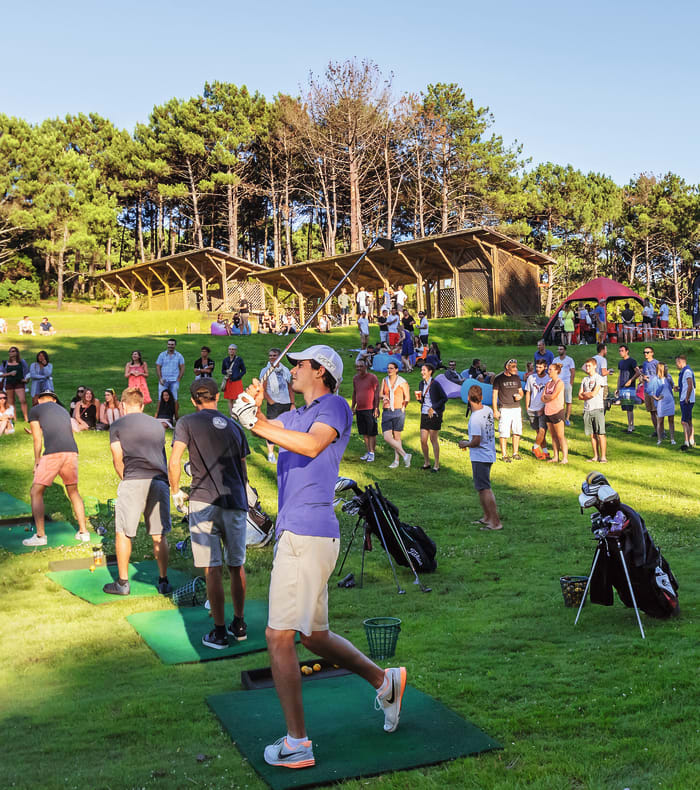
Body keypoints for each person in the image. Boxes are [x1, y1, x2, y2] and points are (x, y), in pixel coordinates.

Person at [231, 344, 406, 768]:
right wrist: (246, 409)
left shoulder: (336, 408)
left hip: (307, 534)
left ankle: (298, 744)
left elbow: (310, 446)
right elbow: (268, 428)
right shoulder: (294, 416)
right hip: (300, 534)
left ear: (321, 372)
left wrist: (256, 423)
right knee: (313, 636)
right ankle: (385, 681)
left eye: (299, 365)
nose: (292, 369)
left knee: (278, 636)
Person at [169, 378, 250, 649]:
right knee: (236, 565)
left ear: (193, 400)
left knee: (212, 567)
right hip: (236, 499)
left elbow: (175, 460)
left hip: (203, 501)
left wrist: (174, 491)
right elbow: (243, 469)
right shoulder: (235, 427)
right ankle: (239, 623)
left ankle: (218, 632)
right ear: (217, 396)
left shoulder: (186, 423)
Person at [103, 387, 172, 596]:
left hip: (133, 479)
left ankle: (123, 583)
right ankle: (163, 581)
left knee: (123, 532)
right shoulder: (158, 425)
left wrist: (127, 481)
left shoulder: (117, 425)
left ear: (123, 405)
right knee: (159, 534)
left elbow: (117, 459)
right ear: (142, 405)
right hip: (159, 480)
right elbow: (162, 456)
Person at [22, 389, 90, 546]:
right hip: (72, 452)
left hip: (53, 454)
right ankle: (83, 532)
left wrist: (37, 460)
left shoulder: (35, 410)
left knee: (35, 492)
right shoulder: (63, 411)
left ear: (39, 400)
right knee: (73, 492)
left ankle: (40, 537)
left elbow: (37, 439)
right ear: (53, 400)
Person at [458, 385, 502, 530]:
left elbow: (476, 441)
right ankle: (487, 517)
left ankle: (495, 522)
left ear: (469, 399)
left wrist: (465, 443)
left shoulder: (475, 419)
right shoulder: (487, 410)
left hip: (480, 456)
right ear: (481, 398)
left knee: (485, 488)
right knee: (481, 488)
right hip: (489, 452)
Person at [260, 348, 295, 464]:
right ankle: (270, 453)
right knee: (272, 428)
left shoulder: (285, 370)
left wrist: (292, 403)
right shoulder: (266, 371)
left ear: (280, 356)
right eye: (270, 356)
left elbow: (290, 388)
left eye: (274, 355)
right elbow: (262, 389)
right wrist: (271, 401)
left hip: (286, 402)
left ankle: (283, 452)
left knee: (286, 428)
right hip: (274, 403)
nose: (272, 358)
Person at [380, 361, 411, 469]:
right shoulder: (384, 380)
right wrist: (384, 396)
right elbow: (380, 394)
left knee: (397, 437)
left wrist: (403, 407)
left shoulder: (402, 382)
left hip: (398, 411)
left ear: (396, 370)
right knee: (387, 437)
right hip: (387, 411)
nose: (389, 370)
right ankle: (405, 455)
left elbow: (407, 397)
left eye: (392, 368)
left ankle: (396, 461)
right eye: (388, 368)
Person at [417, 362, 447, 472]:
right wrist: (419, 399)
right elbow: (423, 400)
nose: (422, 372)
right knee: (423, 440)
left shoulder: (435, 384)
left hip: (434, 414)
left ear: (430, 372)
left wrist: (433, 407)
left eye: (424, 370)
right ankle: (427, 462)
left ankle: (437, 464)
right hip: (424, 413)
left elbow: (444, 398)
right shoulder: (421, 384)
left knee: (433, 439)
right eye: (421, 370)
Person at [492, 359, 524, 462]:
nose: (516, 368)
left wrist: (520, 396)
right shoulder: (499, 379)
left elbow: (521, 392)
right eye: (513, 366)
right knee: (504, 432)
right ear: (507, 367)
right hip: (505, 408)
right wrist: (495, 410)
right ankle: (504, 455)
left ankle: (515, 453)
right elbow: (494, 395)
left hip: (516, 408)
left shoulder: (517, 378)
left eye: (516, 366)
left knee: (517, 431)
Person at [578, 359, 607, 463]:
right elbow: (579, 395)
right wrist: (586, 394)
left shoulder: (599, 378)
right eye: (586, 366)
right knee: (592, 434)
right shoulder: (585, 379)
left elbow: (593, 394)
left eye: (589, 366)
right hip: (587, 409)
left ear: (595, 366)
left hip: (597, 408)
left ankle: (603, 457)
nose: (587, 368)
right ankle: (595, 456)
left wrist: (586, 394)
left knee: (601, 434)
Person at [351, 359, 379, 463]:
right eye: (357, 366)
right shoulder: (355, 378)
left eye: (360, 366)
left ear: (365, 367)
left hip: (370, 408)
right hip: (360, 409)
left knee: (371, 432)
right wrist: (352, 406)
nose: (358, 368)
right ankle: (368, 451)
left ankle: (372, 452)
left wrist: (376, 407)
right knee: (364, 432)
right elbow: (355, 392)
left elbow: (376, 393)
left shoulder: (372, 378)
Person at [525, 359, 550, 459]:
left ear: (545, 367)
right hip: (532, 408)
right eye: (537, 367)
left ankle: (535, 448)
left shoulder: (548, 378)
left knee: (542, 430)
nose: (538, 369)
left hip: (543, 409)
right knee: (538, 432)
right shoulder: (531, 377)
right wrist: (527, 407)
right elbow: (528, 392)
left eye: (540, 367)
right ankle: (545, 451)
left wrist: (544, 407)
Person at [543, 362, 568, 463]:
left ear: (556, 371)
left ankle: (565, 457)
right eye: (548, 369)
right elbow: (542, 398)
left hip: (557, 411)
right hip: (548, 412)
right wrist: (547, 397)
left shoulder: (560, 383)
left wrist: (547, 397)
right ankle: (555, 456)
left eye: (550, 370)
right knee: (553, 436)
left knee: (560, 435)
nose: (548, 371)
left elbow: (553, 396)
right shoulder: (548, 383)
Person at [156, 339, 185, 415]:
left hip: (174, 380)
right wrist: (160, 378)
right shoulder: (162, 355)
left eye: (172, 344)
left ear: (175, 345)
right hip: (164, 381)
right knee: (160, 398)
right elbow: (158, 366)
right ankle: (158, 414)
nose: (170, 346)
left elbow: (182, 367)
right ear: (167, 345)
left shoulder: (179, 356)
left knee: (174, 398)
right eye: (169, 344)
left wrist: (178, 379)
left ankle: (175, 415)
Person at [1, 347, 30, 421]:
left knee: (22, 400)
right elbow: (1, 374)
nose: (11, 353)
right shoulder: (5, 363)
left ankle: (26, 418)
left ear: (17, 352)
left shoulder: (22, 362)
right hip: (9, 383)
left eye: (13, 351)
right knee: (11, 401)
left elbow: (27, 373)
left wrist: (26, 379)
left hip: (19, 383)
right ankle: (15, 418)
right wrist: (10, 373)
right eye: (10, 351)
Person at [650, 362, 675, 445]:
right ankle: (659, 439)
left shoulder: (669, 377)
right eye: (666, 367)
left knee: (671, 420)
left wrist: (674, 386)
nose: (667, 369)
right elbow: (651, 391)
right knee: (660, 421)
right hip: (661, 402)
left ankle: (672, 439)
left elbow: (672, 386)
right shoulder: (655, 379)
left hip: (670, 400)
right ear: (661, 369)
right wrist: (657, 398)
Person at [616, 345, 639, 433]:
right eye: (619, 351)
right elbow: (619, 375)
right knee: (626, 407)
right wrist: (618, 387)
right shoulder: (621, 362)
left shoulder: (632, 361)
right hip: (622, 387)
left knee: (629, 407)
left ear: (627, 351)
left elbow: (638, 372)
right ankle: (630, 425)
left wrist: (630, 380)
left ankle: (631, 426)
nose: (620, 352)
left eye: (622, 350)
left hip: (630, 387)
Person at [675, 355, 695, 451]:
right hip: (686, 398)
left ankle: (686, 441)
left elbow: (690, 385)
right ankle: (691, 439)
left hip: (687, 400)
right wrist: (678, 389)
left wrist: (687, 398)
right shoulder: (685, 372)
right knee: (689, 420)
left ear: (681, 362)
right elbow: (686, 386)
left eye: (676, 363)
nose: (676, 365)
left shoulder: (687, 372)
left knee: (684, 421)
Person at [638, 345, 659, 437]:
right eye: (644, 352)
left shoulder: (656, 363)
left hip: (654, 389)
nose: (645, 354)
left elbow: (661, 375)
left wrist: (650, 378)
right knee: (651, 411)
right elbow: (643, 375)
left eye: (647, 352)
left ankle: (662, 431)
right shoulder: (645, 363)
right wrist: (643, 377)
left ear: (652, 353)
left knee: (657, 411)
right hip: (646, 390)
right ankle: (656, 430)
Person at [222, 343, 247, 414]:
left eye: (233, 349)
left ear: (235, 351)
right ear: (228, 350)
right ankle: (231, 414)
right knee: (230, 399)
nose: (231, 351)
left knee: (238, 399)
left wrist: (238, 376)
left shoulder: (239, 359)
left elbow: (244, 370)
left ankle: (238, 413)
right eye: (230, 349)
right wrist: (226, 371)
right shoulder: (225, 360)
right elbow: (222, 371)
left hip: (237, 382)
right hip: (228, 381)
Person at [555, 345, 576, 425]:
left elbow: (573, 371)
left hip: (567, 382)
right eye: (558, 349)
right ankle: (560, 417)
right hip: (558, 382)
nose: (559, 350)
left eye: (561, 349)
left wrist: (571, 382)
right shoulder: (555, 360)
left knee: (568, 401)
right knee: (559, 401)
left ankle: (567, 418)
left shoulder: (569, 360)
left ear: (565, 351)